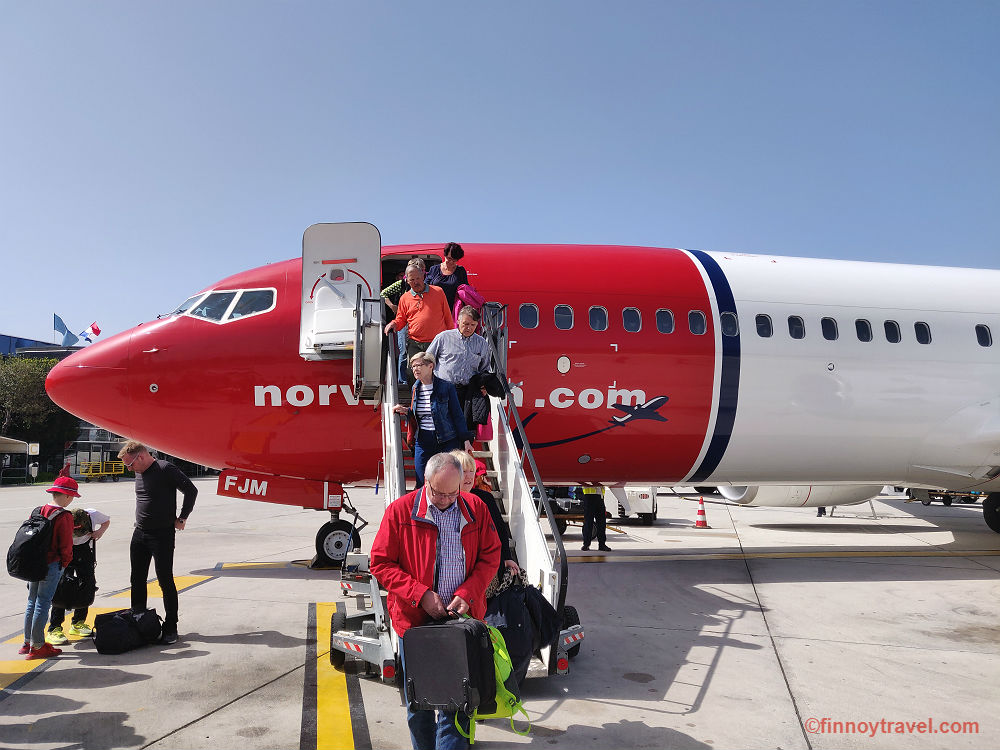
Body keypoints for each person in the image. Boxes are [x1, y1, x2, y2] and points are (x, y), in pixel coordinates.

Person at [369, 452, 501, 750]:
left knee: (459, 704)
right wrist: (421, 595)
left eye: (452, 493)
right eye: (438, 492)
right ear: (425, 481)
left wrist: (467, 594)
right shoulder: (400, 512)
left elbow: (491, 555)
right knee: (420, 706)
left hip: (460, 623)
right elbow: (380, 563)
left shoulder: (476, 508)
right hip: (415, 625)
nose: (444, 499)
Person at [118, 440, 197, 645]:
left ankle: (171, 626)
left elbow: (191, 490)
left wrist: (182, 517)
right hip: (140, 532)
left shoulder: (165, 469)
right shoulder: (139, 471)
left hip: (161, 534)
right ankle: (139, 618)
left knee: (165, 580)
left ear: (141, 457)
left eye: (130, 464)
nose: (129, 469)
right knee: (136, 578)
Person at [20, 471, 77, 659]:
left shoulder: (38, 510)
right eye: (72, 497)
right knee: (43, 603)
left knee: (31, 601)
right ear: (66, 495)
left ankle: (27, 642)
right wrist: (64, 563)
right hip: (51, 564)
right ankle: (37, 646)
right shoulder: (64, 516)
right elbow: (66, 545)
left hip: (33, 564)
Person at [393, 352, 473, 487]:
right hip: (423, 439)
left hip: (447, 439)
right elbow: (418, 414)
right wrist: (406, 411)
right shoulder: (415, 388)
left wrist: (465, 439)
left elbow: (457, 414)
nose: (415, 369)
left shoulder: (446, 387)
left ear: (431, 366)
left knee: (448, 478)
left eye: (419, 365)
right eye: (412, 366)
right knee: (421, 478)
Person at [47, 507, 111, 645]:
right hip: (65, 549)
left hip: (84, 550)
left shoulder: (92, 514)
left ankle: (78, 623)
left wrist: (99, 532)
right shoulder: (61, 517)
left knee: (87, 585)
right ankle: (54, 628)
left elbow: (106, 521)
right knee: (61, 587)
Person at [452, 450, 520, 579]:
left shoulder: (485, 498)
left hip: (483, 566)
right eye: (463, 471)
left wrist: (507, 557)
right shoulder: (443, 501)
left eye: (471, 471)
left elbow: (499, 529)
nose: (469, 476)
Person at [384, 260, 454, 382]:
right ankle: (415, 399)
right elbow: (401, 319)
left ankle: (434, 400)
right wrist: (394, 323)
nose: (415, 282)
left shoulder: (438, 292)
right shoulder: (404, 298)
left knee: (436, 375)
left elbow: (448, 317)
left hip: (436, 343)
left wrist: (452, 338)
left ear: (423, 276)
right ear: (407, 280)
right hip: (415, 343)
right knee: (412, 374)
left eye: (417, 278)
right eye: (412, 280)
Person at [426, 306, 490, 405]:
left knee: (463, 420)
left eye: (473, 325)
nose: (469, 328)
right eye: (466, 324)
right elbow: (428, 360)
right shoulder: (443, 337)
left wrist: (484, 386)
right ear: (458, 321)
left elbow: (484, 368)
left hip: (467, 393)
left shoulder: (482, 343)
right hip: (443, 389)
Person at [381, 263, 420, 385]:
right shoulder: (401, 285)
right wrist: (392, 306)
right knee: (403, 351)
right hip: (403, 322)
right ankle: (402, 380)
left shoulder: (426, 287)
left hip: (416, 322)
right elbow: (383, 293)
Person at [425, 242, 469, 311]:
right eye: (449, 258)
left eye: (454, 260)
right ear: (445, 255)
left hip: (453, 311)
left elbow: (466, 291)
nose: (451, 262)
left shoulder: (460, 271)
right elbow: (425, 287)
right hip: (434, 309)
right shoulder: (434, 269)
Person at [581, 486, 611, 552]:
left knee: (601, 523)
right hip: (589, 496)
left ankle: (601, 544)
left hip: (599, 497)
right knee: (588, 522)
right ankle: (586, 544)